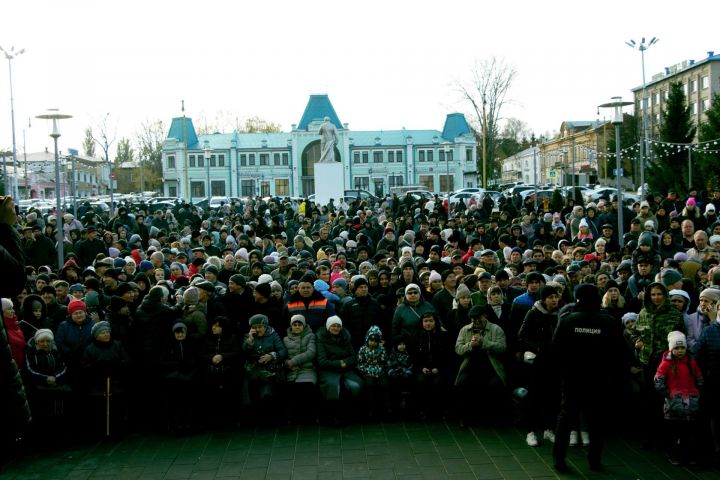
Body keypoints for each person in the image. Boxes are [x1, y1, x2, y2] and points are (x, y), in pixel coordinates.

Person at [550, 284, 627, 473]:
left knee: (566, 417)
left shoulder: (568, 320)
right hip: (599, 379)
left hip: (572, 377)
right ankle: (594, 460)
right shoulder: (608, 321)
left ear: (578, 298)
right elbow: (619, 352)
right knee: (597, 421)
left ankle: (559, 459)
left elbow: (556, 349)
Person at [655, 331, 703, 466]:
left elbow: (699, 377)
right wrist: (668, 393)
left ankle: (687, 455)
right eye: (676, 348)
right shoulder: (666, 364)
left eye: (682, 348)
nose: (680, 351)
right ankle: (673, 454)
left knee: (688, 432)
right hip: (674, 403)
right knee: (674, 431)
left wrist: (698, 390)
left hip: (691, 402)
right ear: (671, 348)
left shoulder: (691, 362)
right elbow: (658, 380)